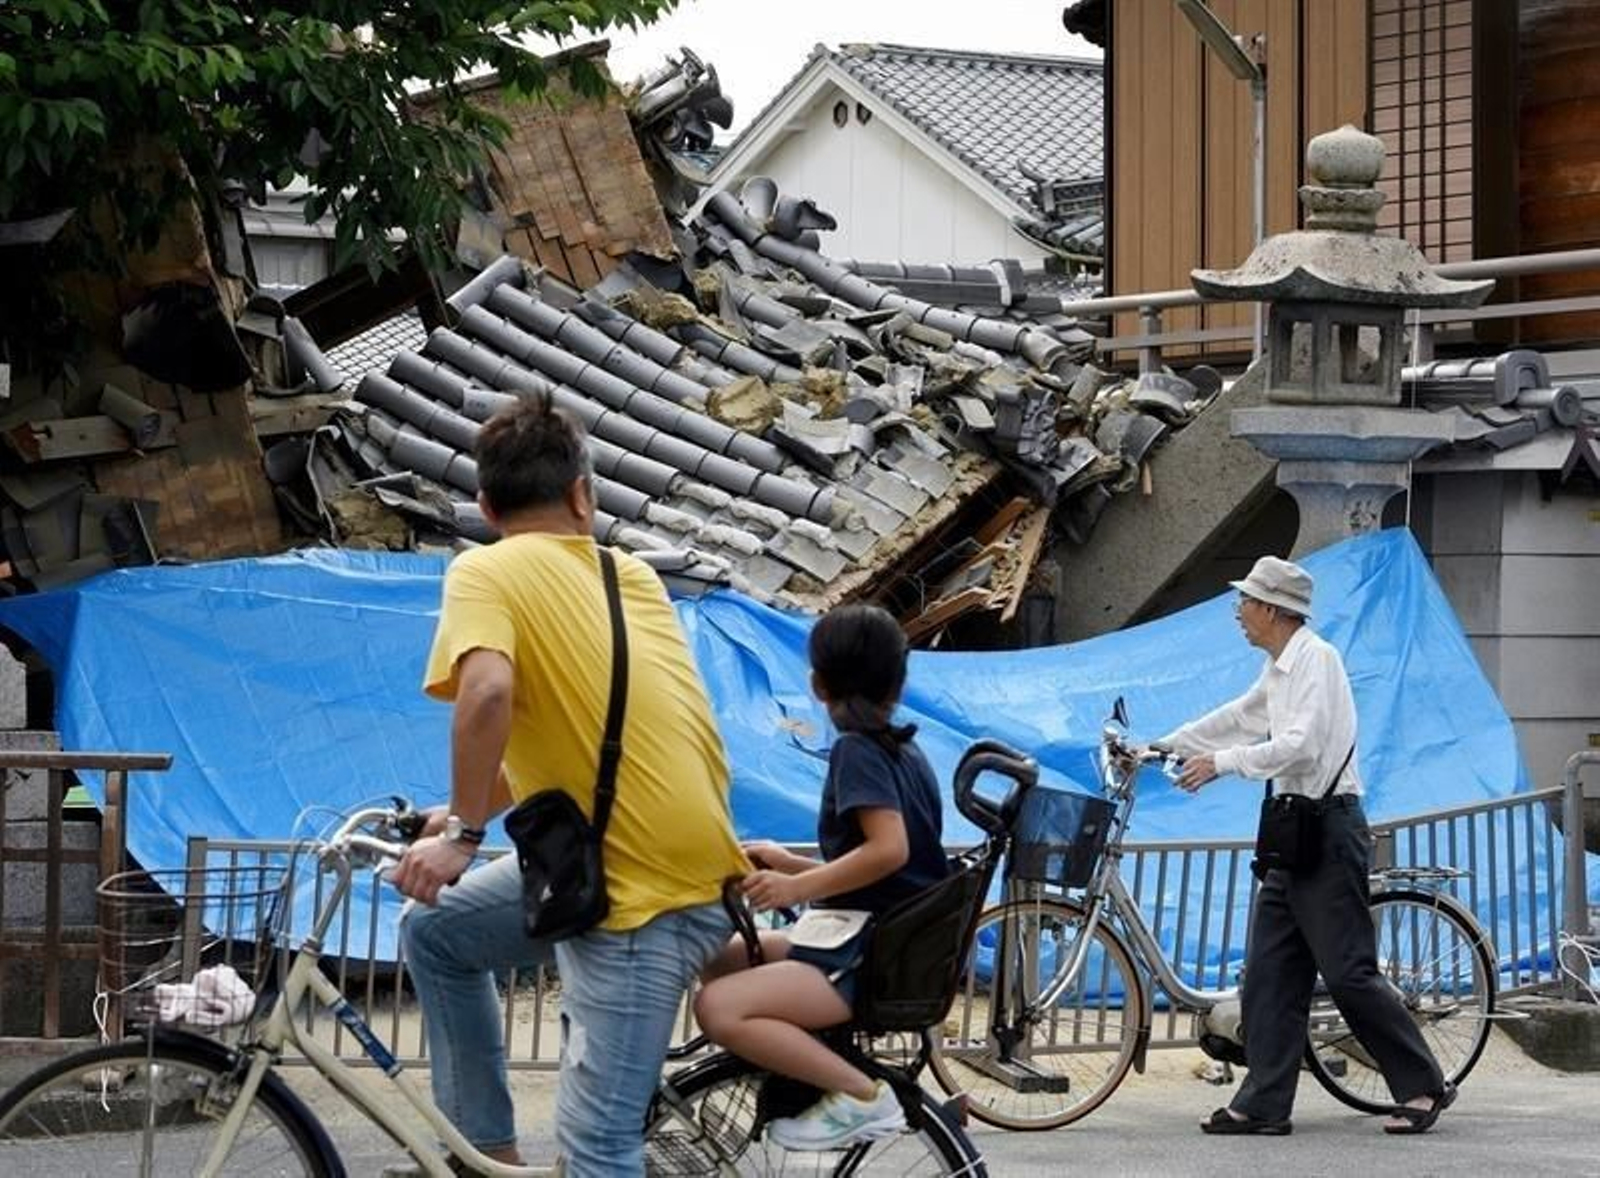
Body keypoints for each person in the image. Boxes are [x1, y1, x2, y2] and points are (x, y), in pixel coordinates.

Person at [390, 394, 748, 1176]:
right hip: (676, 856)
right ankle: (485, 1154)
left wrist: (461, 837)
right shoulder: (632, 577)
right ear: (584, 494)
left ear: (486, 508)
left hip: (636, 890)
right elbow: (586, 737)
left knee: (598, 1144)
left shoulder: (482, 568)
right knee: (435, 933)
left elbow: (488, 695)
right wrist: (465, 807)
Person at [1156, 555, 1455, 1137]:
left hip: (1329, 828)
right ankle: (1265, 1103)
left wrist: (1219, 764)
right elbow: (1240, 717)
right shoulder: (1279, 669)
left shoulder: (1318, 661)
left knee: (1347, 972)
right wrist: (1163, 743)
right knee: (1270, 971)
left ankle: (1422, 1086)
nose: (1238, 611)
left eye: (1245, 601)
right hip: (1292, 832)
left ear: (1271, 609)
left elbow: (1300, 746)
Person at [693, 604, 949, 1152]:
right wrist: (789, 864)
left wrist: (794, 889)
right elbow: (887, 871)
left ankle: (860, 1094)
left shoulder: (858, 750)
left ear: (817, 682)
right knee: (718, 956)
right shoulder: (904, 750)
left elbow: (888, 850)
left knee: (717, 1007)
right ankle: (793, 1066)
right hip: (874, 941)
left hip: (864, 957)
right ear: (897, 682)